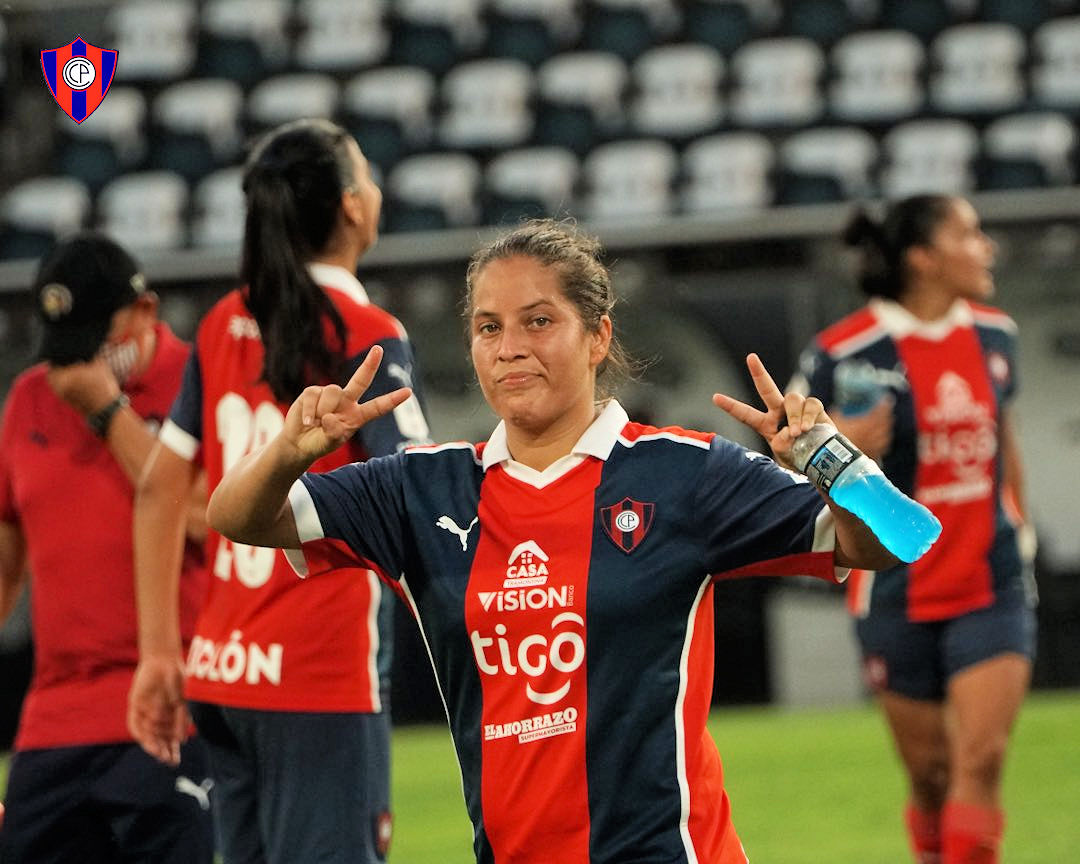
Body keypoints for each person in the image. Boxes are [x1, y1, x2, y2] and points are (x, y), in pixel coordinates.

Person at [203, 218, 903, 864]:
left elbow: (878, 543)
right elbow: (236, 516)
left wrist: (827, 458)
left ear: (597, 336)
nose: (510, 348)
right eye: (487, 327)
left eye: (539, 322)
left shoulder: (685, 471)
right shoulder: (421, 491)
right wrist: (290, 449)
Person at [127, 118, 431, 864]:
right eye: (365, 173)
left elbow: (160, 487)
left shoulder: (224, 321)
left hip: (222, 668)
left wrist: (160, 653)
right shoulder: (367, 330)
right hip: (317, 674)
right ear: (353, 206)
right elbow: (420, 495)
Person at [789, 195, 1037, 864]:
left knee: (981, 760)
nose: (986, 247)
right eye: (970, 234)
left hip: (993, 579)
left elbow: (1001, 439)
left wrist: (1022, 520)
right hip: (893, 589)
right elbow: (783, 461)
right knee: (929, 776)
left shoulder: (996, 334)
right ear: (924, 258)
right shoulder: (840, 353)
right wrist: (839, 442)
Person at [0, 233, 214, 863]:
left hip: (173, 710)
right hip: (53, 721)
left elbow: (211, 516)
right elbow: (6, 563)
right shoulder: (32, 397)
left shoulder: (197, 379)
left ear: (144, 313)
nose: (76, 365)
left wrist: (109, 413)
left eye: (94, 338)